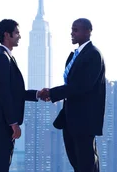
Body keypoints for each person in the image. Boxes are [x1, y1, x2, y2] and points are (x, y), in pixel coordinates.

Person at [39, 18, 106, 172]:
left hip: (85, 120)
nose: (72, 33)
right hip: (71, 119)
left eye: (76, 30)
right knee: (77, 162)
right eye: (72, 29)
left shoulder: (94, 54)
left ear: (88, 31)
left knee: (86, 163)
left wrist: (52, 93)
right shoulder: (74, 55)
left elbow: (82, 86)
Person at [0, 19, 40, 172]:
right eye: (16, 33)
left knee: (4, 162)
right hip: (2, 120)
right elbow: (5, 93)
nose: (19, 36)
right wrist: (13, 123)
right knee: (2, 162)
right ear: (6, 35)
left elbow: (14, 92)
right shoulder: (2, 58)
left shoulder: (6, 57)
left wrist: (37, 94)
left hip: (3, 120)